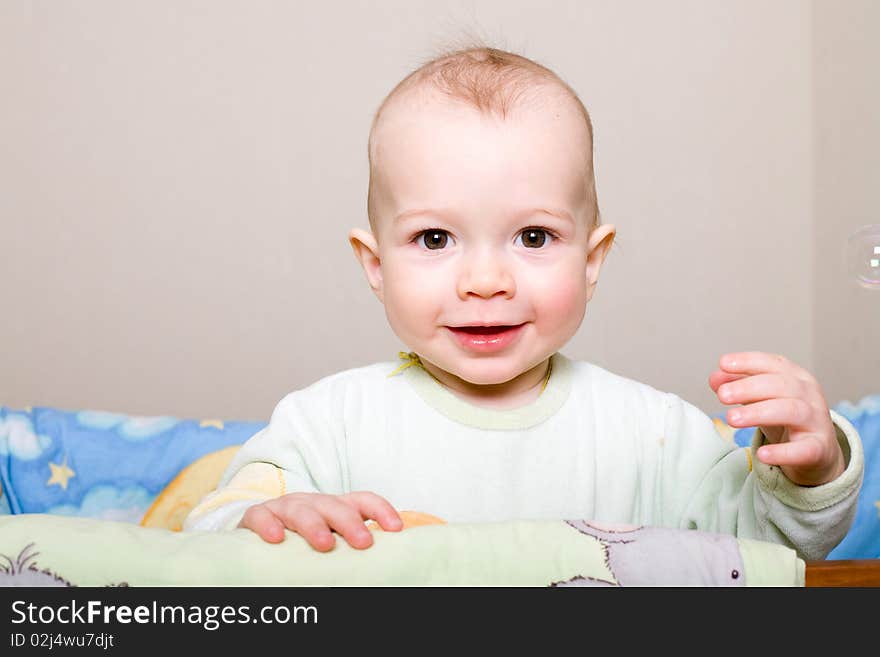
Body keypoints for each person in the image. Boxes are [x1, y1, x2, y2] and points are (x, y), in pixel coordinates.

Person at [183, 46, 863, 561]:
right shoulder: (326, 424)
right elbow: (206, 534)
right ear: (376, 265)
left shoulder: (654, 436)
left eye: (533, 236)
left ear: (591, 262)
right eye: (435, 237)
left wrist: (812, 467)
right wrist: (267, 521)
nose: (485, 280)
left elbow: (763, 557)